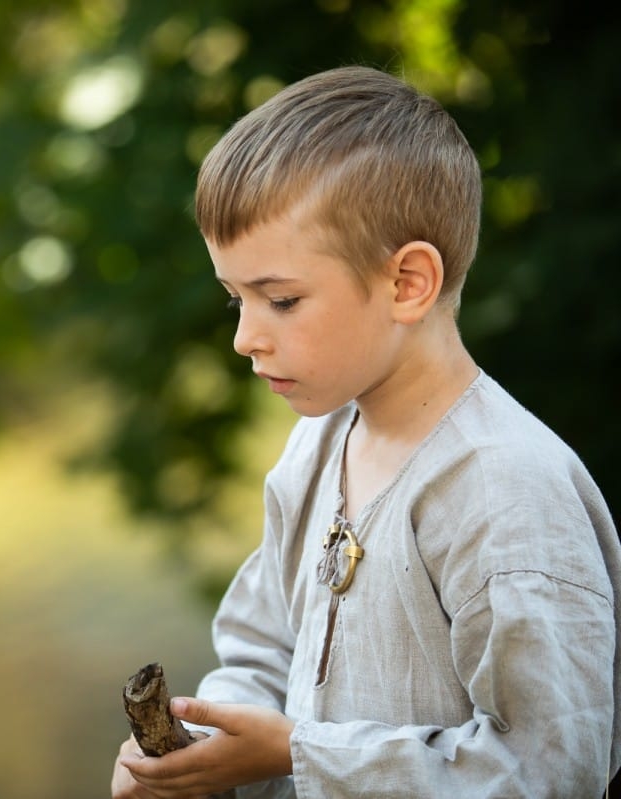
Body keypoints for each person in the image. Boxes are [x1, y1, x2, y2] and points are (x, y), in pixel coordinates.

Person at [111, 64, 621, 798]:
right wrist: (198, 757)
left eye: (280, 300)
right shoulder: (315, 448)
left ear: (407, 283)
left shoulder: (508, 495)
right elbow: (259, 646)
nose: (246, 338)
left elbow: (549, 771)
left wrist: (298, 752)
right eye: (235, 302)